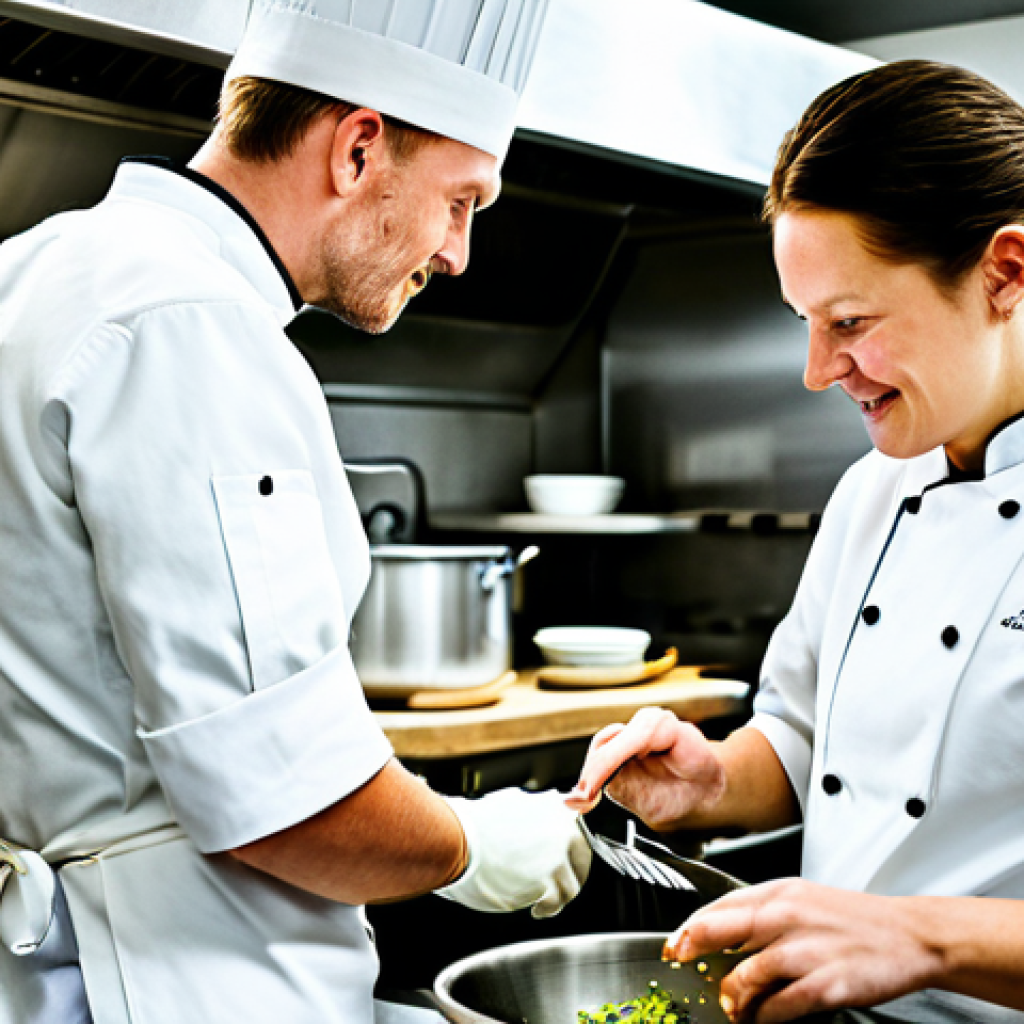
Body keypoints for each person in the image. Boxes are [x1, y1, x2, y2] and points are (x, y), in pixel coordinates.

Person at [0, 2, 592, 1023]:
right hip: (170, 981)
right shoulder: (196, 327)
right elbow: (277, 801)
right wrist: (473, 844)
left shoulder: (33, 266)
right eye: (461, 201)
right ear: (360, 149)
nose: (456, 252)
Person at [567, 59, 1024, 1024]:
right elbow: (807, 741)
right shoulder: (869, 493)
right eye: (806, 325)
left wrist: (921, 938)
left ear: (1007, 272)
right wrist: (711, 781)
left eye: (850, 322)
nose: (819, 372)